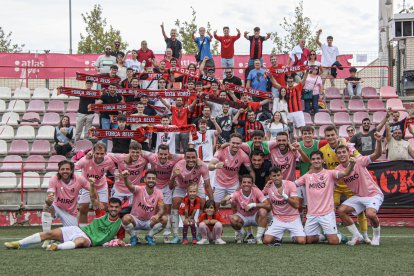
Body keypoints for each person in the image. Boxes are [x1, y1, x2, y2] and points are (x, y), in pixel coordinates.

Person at [5, 197, 123, 251]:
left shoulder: (120, 225)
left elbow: (120, 240)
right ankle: (18, 243)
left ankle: (56, 247)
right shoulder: (101, 213)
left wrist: (118, 242)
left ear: (120, 208)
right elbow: (93, 198)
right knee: (49, 233)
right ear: (108, 207)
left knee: (80, 242)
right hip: (78, 230)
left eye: (116, 207)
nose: (113, 209)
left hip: (89, 240)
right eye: (111, 206)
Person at [319, 125, 370, 242]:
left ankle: (365, 235)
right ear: (325, 137)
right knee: (329, 208)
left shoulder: (347, 147)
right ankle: (331, 232)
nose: (331, 137)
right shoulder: (323, 151)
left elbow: (360, 157)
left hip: (350, 184)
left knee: (360, 210)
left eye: (333, 135)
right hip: (335, 185)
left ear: (337, 135)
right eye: (328, 135)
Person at [295, 150, 356, 245]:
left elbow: (345, 173)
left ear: (323, 160)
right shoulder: (306, 176)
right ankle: (323, 236)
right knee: (308, 240)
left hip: (327, 213)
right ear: (311, 161)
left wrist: (351, 164)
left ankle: (339, 236)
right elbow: (293, 184)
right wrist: (276, 185)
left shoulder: (330, 173)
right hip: (312, 214)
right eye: (314, 159)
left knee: (333, 242)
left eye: (318, 159)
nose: (316, 161)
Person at [336, 133, 384, 246]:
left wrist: (378, 141)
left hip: (373, 194)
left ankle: (376, 236)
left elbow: (377, 154)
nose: (342, 154)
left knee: (370, 214)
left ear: (349, 153)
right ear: (336, 156)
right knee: (341, 211)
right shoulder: (338, 169)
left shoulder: (359, 161)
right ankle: (357, 235)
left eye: (344, 152)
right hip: (359, 196)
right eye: (339, 153)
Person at [40, 160, 93, 248]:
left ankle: (54, 239)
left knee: (71, 237)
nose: (65, 171)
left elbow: (92, 189)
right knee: (46, 207)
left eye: (67, 169)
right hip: (57, 207)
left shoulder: (79, 179)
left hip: (70, 213)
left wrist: (93, 186)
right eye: (62, 169)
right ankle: (47, 239)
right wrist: (48, 200)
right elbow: (49, 198)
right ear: (59, 170)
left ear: (72, 170)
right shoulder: (54, 179)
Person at [141, 144, 184, 243]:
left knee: (167, 211)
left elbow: (185, 156)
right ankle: (152, 235)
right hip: (154, 186)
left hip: (167, 186)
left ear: (169, 154)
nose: (163, 156)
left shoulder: (174, 158)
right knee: (154, 210)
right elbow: (140, 151)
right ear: (157, 154)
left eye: (165, 154)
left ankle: (167, 235)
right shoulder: (152, 157)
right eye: (161, 154)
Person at [170, 148, 214, 244]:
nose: (191, 159)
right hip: (181, 187)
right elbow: (170, 186)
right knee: (175, 203)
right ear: (184, 157)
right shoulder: (178, 166)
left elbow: (207, 185)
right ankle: (176, 236)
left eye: (193, 157)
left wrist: (212, 202)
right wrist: (173, 176)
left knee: (203, 204)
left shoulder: (202, 166)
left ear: (197, 157)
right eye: (188, 157)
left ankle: (199, 234)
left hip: (196, 186)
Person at [121, 170, 167, 246]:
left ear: (156, 180)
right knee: (125, 219)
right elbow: (130, 186)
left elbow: (162, 209)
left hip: (149, 221)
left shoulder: (159, 193)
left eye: (153, 178)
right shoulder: (139, 189)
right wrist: (125, 178)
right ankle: (133, 237)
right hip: (136, 220)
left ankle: (149, 236)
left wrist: (157, 216)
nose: (151, 180)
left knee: (165, 219)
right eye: (149, 178)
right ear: (145, 179)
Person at [209, 133, 255, 209]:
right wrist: (215, 166)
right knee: (215, 205)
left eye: (238, 143)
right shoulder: (221, 151)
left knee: (235, 205)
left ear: (241, 144)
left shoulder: (243, 155)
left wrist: (253, 184)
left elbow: (251, 171)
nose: (235, 145)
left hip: (233, 184)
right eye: (233, 143)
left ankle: (234, 219)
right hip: (219, 182)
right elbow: (209, 166)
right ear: (229, 143)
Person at [263, 167, 306, 246]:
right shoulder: (268, 187)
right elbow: (260, 197)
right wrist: (265, 188)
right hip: (278, 218)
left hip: (293, 217)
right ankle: (278, 236)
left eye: (278, 175)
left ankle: (293, 236)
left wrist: (284, 195)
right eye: (274, 176)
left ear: (282, 175)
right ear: (270, 177)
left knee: (301, 241)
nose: (276, 178)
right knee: (266, 240)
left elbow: (296, 205)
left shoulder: (290, 184)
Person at [75, 142, 116, 226]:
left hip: (101, 186)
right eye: (97, 153)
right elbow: (75, 167)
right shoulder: (86, 159)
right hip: (87, 186)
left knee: (102, 209)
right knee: (83, 208)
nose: (99, 156)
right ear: (93, 152)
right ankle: (84, 230)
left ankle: (99, 230)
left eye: (102, 153)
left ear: (105, 153)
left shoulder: (109, 161)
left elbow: (113, 172)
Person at [230, 175, 271, 244]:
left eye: (249, 182)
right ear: (241, 183)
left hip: (255, 217)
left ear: (252, 184)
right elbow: (231, 206)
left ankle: (259, 237)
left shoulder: (256, 191)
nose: (246, 184)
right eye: (244, 182)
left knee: (263, 211)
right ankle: (242, 233)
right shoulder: (236, 193)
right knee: (232, 218)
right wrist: (226, 199)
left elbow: (268, 205)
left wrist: (253, 204)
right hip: (243, 218)